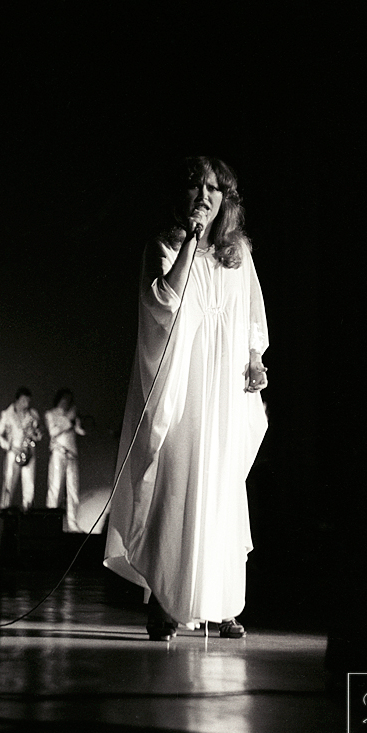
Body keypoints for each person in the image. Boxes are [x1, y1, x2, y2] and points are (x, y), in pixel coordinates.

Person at [104, 156, 269, 640]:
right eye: (196, 185)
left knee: (221, 491)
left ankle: (223, 604)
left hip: (224, 390)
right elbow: (162, 302)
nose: (204, 195)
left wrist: (255, 360)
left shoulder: (239, 254)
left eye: (214, 188)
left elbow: (252, 315)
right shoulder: (165, 246)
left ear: (225, 199)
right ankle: (164, 599)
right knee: (175, 485)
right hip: (184, 387)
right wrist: (191, 241)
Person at [0, 387, 43, 510]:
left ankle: (27, 512)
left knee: (29, 487)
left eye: (28, 401)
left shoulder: (33, 414)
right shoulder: (6, 414)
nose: (26, 405)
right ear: (17, 400)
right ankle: (3, 512)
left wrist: (34, 434)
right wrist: (10, 447)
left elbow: (40, 435)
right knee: (8, 485)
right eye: (23, 401)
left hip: (28, 452)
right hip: (13, 452)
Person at [45, 388, 86, 532]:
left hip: (72, 455)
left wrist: (78, 421)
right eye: (65, 399)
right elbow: (53, 431)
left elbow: (81, 431)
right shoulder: (51, 414)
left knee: (73, 490)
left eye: (69, 400)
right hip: (58, 453)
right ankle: (50, 524)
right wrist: (68, 420)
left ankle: (72, 523)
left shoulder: (72, 415)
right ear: (59, 399)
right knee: (55, 488)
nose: (66, 402)